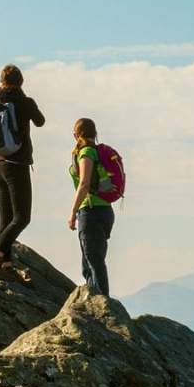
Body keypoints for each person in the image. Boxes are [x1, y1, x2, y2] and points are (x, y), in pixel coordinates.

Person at [0, 65, 45, 282]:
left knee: (6, 219)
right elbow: (40, 121)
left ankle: (6, 266)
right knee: (22, 217)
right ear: (21, 81)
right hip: (17, 165)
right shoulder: (24, 102)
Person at [68, 118, 115, 296]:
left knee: (93, 261)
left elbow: (84, 183)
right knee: (92, 262)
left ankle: (103, 303)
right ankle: (96, 300)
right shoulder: (97, 152)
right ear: (95, 134)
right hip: (105, 211)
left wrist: (73, 212)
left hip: (91, 211)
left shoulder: (86, 152)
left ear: (76, 135)